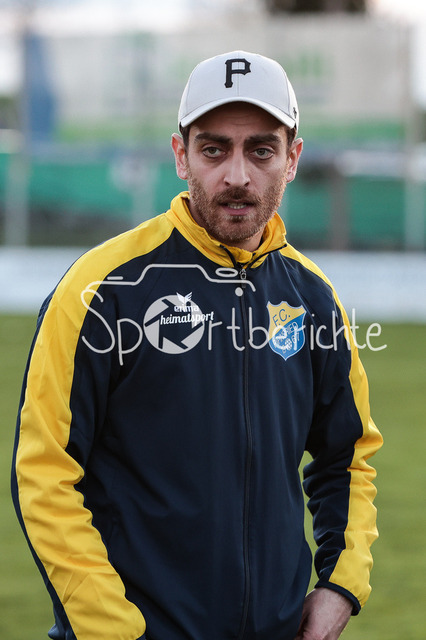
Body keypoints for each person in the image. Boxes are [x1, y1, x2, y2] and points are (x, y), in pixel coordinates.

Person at [12, 51, 382, 640]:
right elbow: (44, 472)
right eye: (214, 149)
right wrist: (114, 631)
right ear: (181, 155)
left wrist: (341, 585)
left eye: (261, 150)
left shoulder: (313, 297)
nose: (237, 175)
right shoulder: (100, 289)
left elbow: (348, 456)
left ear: (292, 159)